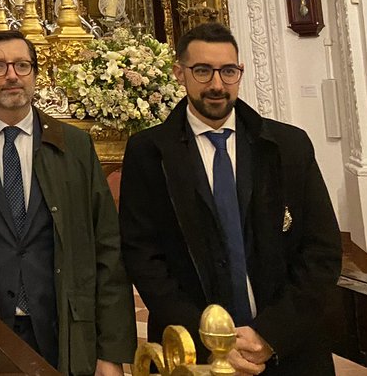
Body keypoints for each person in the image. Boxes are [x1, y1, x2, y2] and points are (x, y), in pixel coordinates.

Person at [119, 22, 341, 376]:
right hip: (193, 352)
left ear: (240, 72)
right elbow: (144, 257)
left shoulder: (288, 146)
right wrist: (210, 340)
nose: (217, 85)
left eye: (228, 71)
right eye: (203, 71)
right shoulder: (148, 153)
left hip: (289, 348)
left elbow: (322, 251)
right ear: (180, 73)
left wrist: (270, 335)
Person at [0, 31, 135, 375]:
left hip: (66, 326)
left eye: (22, 65)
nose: (12, 75)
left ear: (35, 74)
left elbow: (108, 249)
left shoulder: (74, 146)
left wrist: (111, 353)